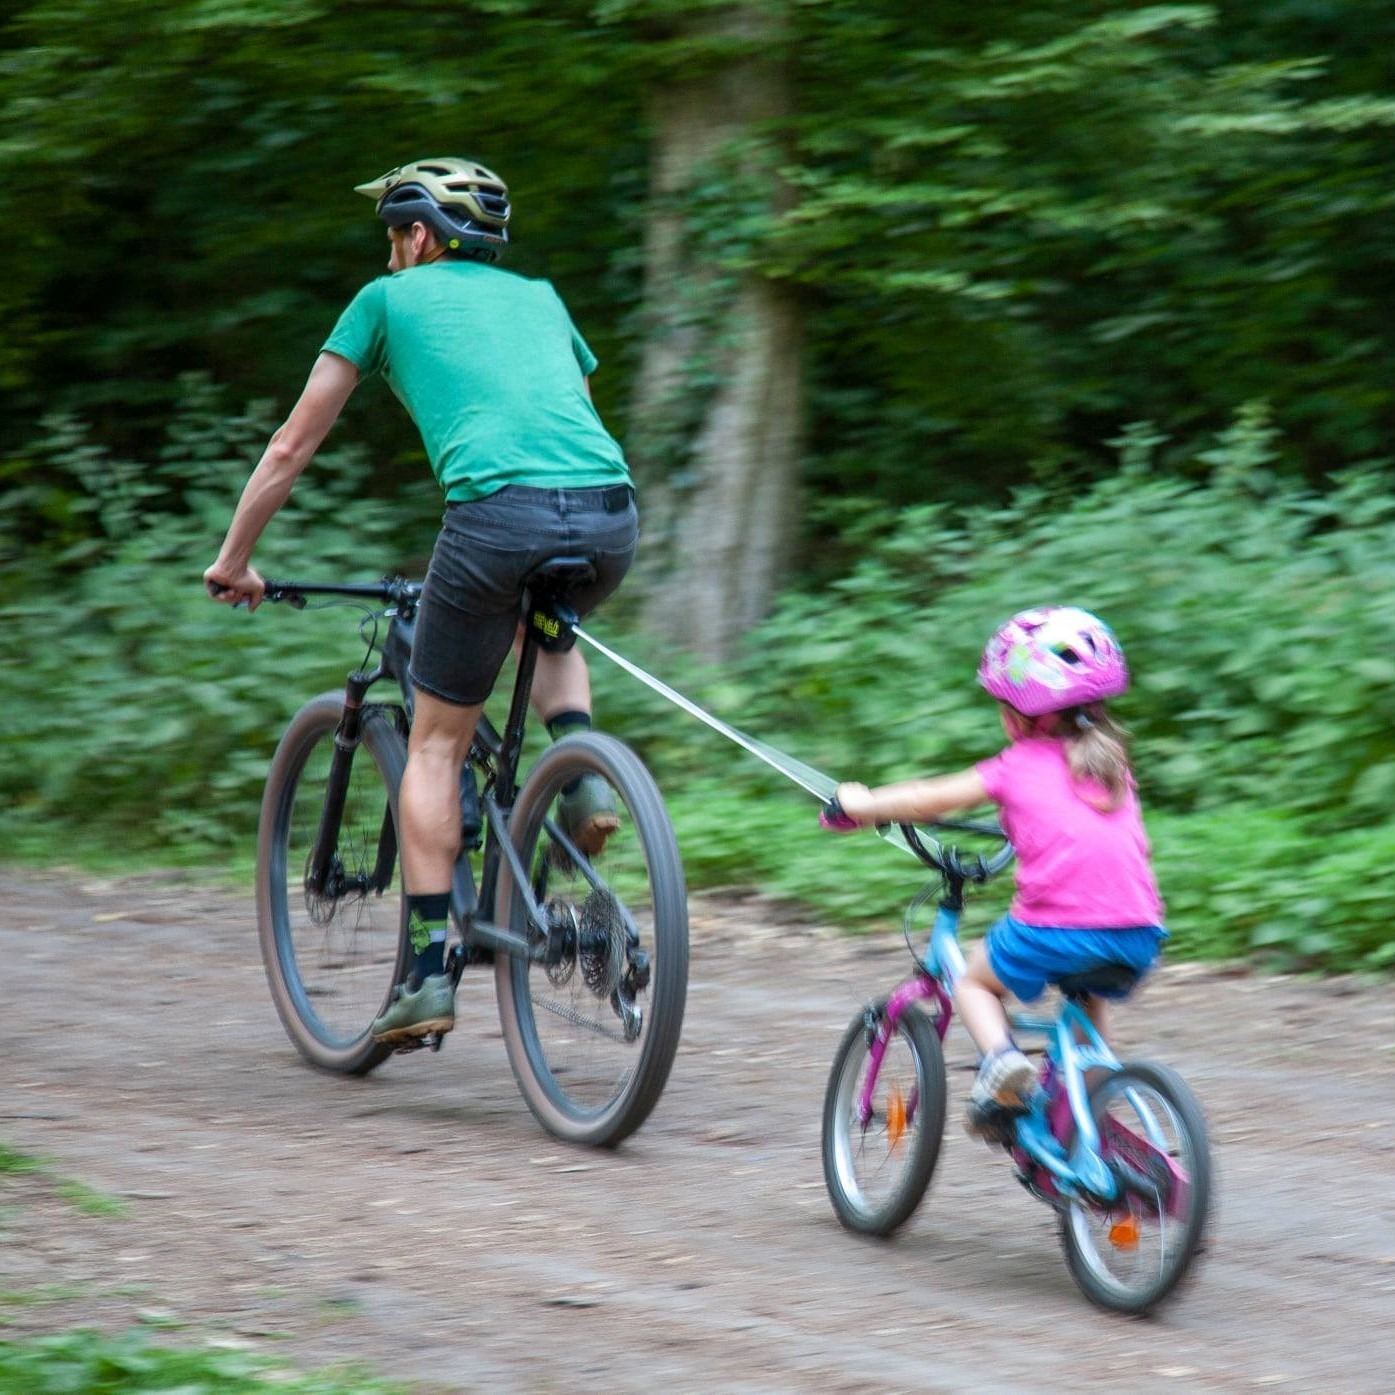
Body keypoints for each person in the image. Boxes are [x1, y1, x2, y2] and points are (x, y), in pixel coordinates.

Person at [205, 156, 639, 1047]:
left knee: (436, 744)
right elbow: (573, 427)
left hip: (496, 517)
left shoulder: (385, 300)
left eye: (393, 235)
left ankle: (426, 973)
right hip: (609, 513)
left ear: (418, 235)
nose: (389, 253)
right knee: (545, 623)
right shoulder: (543, 299)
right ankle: (582, 775)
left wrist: (235, 559)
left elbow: (290, 446)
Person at [832, 606, 1165, 1137]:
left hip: (1055, 930)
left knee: (973, 985)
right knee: (1088, 1002)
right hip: (1140, 932)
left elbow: (927, 799)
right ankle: (1090, 1114)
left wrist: (863, 804)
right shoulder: (1112, 765)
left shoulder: (1014, 767)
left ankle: (1003, 1063)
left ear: (1016, 715)